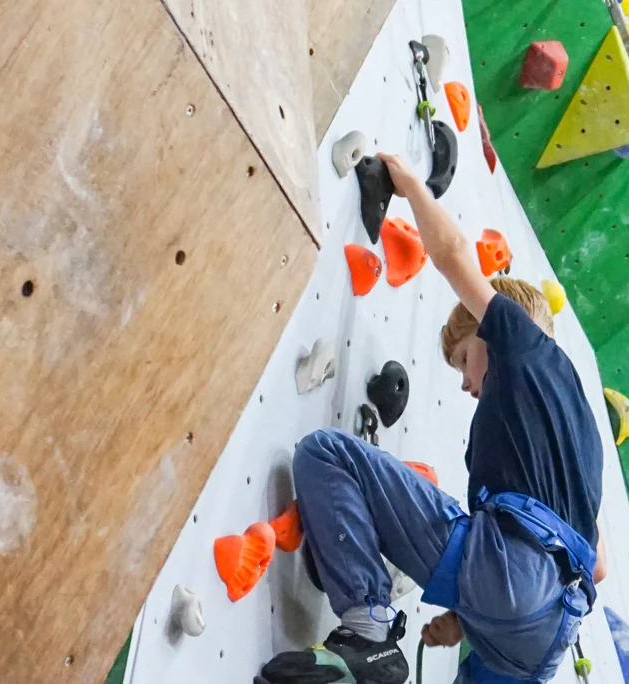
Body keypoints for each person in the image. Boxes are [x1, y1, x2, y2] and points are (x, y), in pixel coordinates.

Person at [256, 154, 607, 684]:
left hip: (508, 579)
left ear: (494, 333)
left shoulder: (525, 347)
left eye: (465, 358)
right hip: (540, 642)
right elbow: (595, 567)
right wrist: (470, 619)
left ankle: (368, 630)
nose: (467, 385)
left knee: (326, 454)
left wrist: (410, 185)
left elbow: (452, 255)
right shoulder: (581, 442)